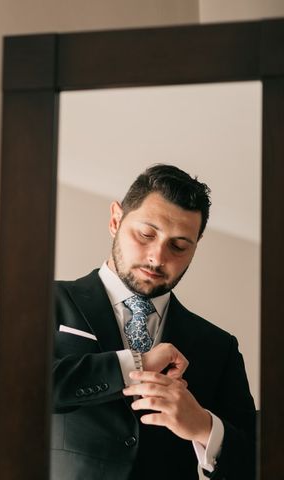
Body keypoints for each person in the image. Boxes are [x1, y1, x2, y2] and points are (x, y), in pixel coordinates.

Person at [51, 165, 256, 480]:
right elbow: (17, 388)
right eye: (146, 234)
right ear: (115, 220)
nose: (157, 257)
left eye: (178, 246)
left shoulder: (220, 347)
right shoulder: (47, 300)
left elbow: (257, 460)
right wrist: (135, 364)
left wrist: (203, 426)